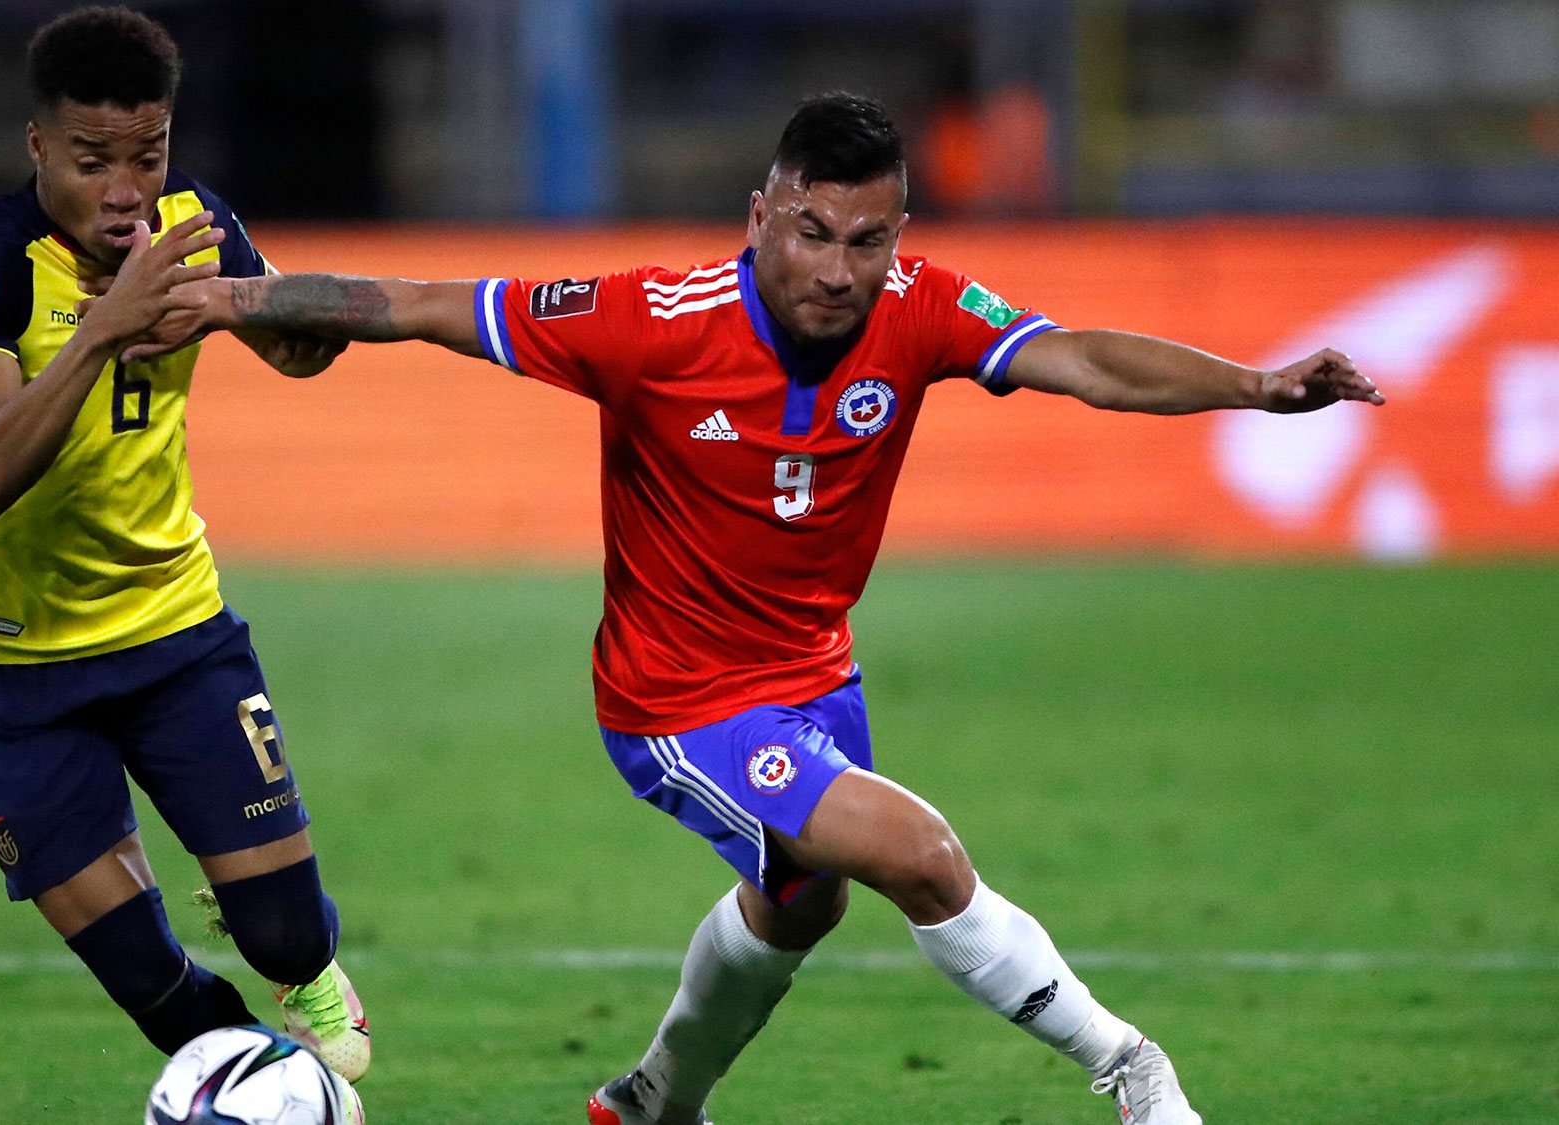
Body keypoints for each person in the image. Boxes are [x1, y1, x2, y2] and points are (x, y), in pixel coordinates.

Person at [101, 93, 1385, 1124]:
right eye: (812, 233)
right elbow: (421, 306)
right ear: (760, 214)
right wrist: (231, 299)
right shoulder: (648, 322)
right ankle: (1133, 1074)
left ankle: (653, 1101)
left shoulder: (924, 306)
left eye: (868, 241)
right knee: (920, 858)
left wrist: (1258, 387)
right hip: (675, 704)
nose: (839, 270)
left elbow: (1087, 359)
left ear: (897, 235)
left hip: (814, 676)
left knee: (800, 905)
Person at [0, 4, 369, 1100]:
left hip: (172, 631)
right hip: (3, 666)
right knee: (151, 984)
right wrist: (109, 325)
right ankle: (283, 1099)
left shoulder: (190, 223)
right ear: (37, 146)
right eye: (92, 162)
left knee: (286, 933)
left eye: (147, 155)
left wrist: (234, 302)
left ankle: (306, 987)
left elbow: (302, 354)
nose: (126, 189)